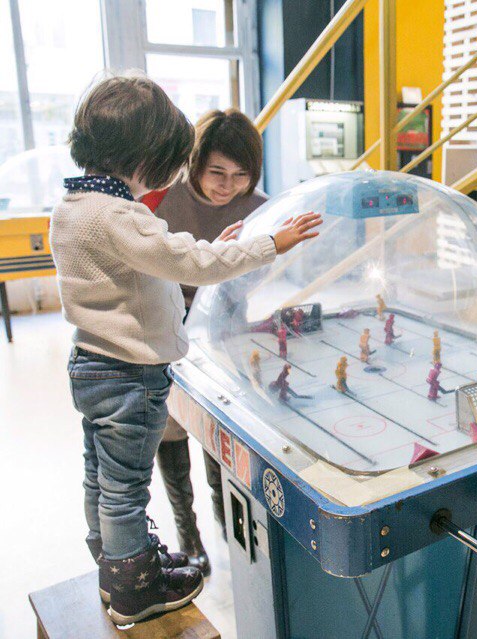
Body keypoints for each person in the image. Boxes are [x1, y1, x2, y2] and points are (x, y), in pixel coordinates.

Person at [51, 74, 322, 624]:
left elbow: (152, 269)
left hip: (92, 364)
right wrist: (270, 244)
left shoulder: (72, 206)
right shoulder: (120, 215)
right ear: (144, 154)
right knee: (126, 487)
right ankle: (135, 587)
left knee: (100, 474)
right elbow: (188, 265)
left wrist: (209, 250)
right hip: (131, 372)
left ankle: (113, 565)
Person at [144, 108, 268, 576]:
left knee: (221, 429)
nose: (227, 186)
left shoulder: (259, 208)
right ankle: (187, 532)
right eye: (217, 172)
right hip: (166, 331)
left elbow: (262, 274)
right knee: (171, 428)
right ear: (195, 162)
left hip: (224, 334)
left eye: (240, 175)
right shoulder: (160, 200)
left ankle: (225, 518)